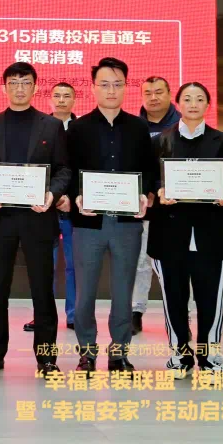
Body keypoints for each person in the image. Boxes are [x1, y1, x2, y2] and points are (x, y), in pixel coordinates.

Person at [0, 63, 71, 378]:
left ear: (35, 87)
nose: (19, 88)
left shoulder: (51, 126)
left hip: (38, 218)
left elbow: (64, 169)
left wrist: (52, 194)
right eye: (13, 82)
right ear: (4, 87)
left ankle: (47, 358)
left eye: (25, 82)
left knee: (42, 292)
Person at [67, 57, 158, 376]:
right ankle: (86, 352)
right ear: (93, 88)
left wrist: (146, 194)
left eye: (117, 84)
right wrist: (77, 195)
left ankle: (119, 352)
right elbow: (68, 170)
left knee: (123, 291)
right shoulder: (78, 128)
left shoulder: (139, 127)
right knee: (85, 292)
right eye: (104, 84)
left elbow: (149, 170)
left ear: (126, 87)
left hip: (126, 223)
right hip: (88, 222)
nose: (111, 90)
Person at [152, 82, 223, 375]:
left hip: (210, 233)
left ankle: (209, 356)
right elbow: (153, 179)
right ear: (178, 103)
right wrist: (160, 191)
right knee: (174, 299)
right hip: (169, 233)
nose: (193, 104)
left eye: (199, 99)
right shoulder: (160, 141)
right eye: (187, 99)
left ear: (207, 105)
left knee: (210, 299)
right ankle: (180, 356)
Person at [25, 81, 78, 333]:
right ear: (49, 99)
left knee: (74, 265)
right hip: (42, 206)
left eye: (67, 96)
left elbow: (79, 169)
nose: (61, 100)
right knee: (44, 265)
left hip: (73, 207)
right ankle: (42, 315)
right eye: (57, 95)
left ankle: (74, 314)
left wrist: (70, 197)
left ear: (74, 100)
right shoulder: (40, 127)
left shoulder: (81, 130)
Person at [132, 76, 181, 335]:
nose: (153, 97)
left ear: (170, 94)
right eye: (148, 93)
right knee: (141, 262)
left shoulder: (183, 125)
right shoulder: (133, 127)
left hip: (177, 208)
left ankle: (178, 316)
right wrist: (145, 191)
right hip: (145, 206)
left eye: (159, 92)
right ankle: (135, 312)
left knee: (176, 264)